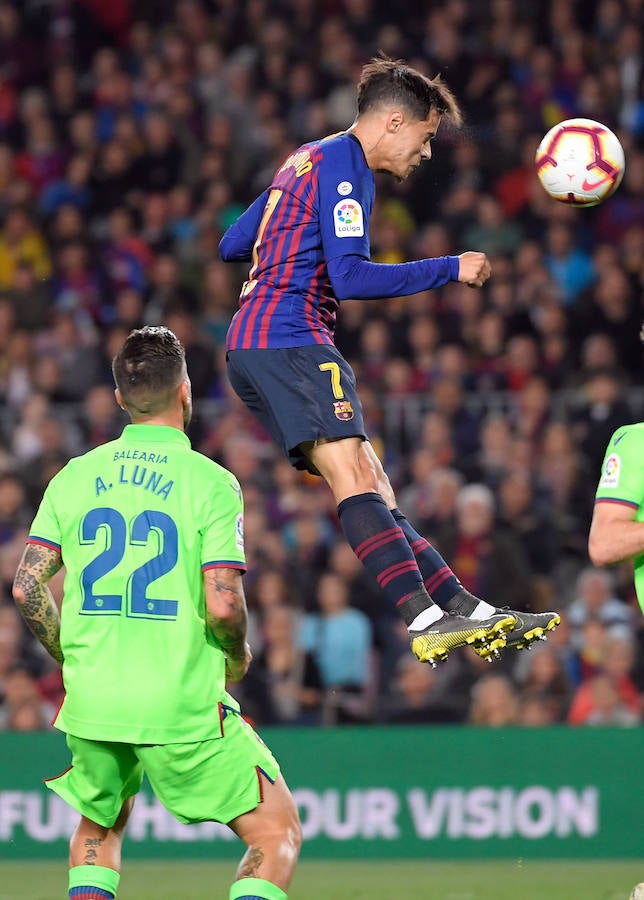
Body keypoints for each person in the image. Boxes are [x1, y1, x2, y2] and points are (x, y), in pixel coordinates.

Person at [220, 54, 559, 666]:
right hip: (289, 337)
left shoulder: (306, 157)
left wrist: (286, 224)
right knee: (354, 476)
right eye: (427, 138)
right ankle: (424, 618)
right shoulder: (348, 166)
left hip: (259, 341)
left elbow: (232, 243)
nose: (426, 154)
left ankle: (462, 607)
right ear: (395, 122)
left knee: (375, 484)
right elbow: (349, 277)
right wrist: (450, 267)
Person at [12, 326, 301, 900]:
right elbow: (223, 603)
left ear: (120, 398)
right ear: (186, 391)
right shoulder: (211, 482)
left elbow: (26, 587)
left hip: (93, 700)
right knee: (275, 833)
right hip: (178, 702)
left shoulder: (73, 476)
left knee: (101, 825)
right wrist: (236, 653)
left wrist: (71, 654)